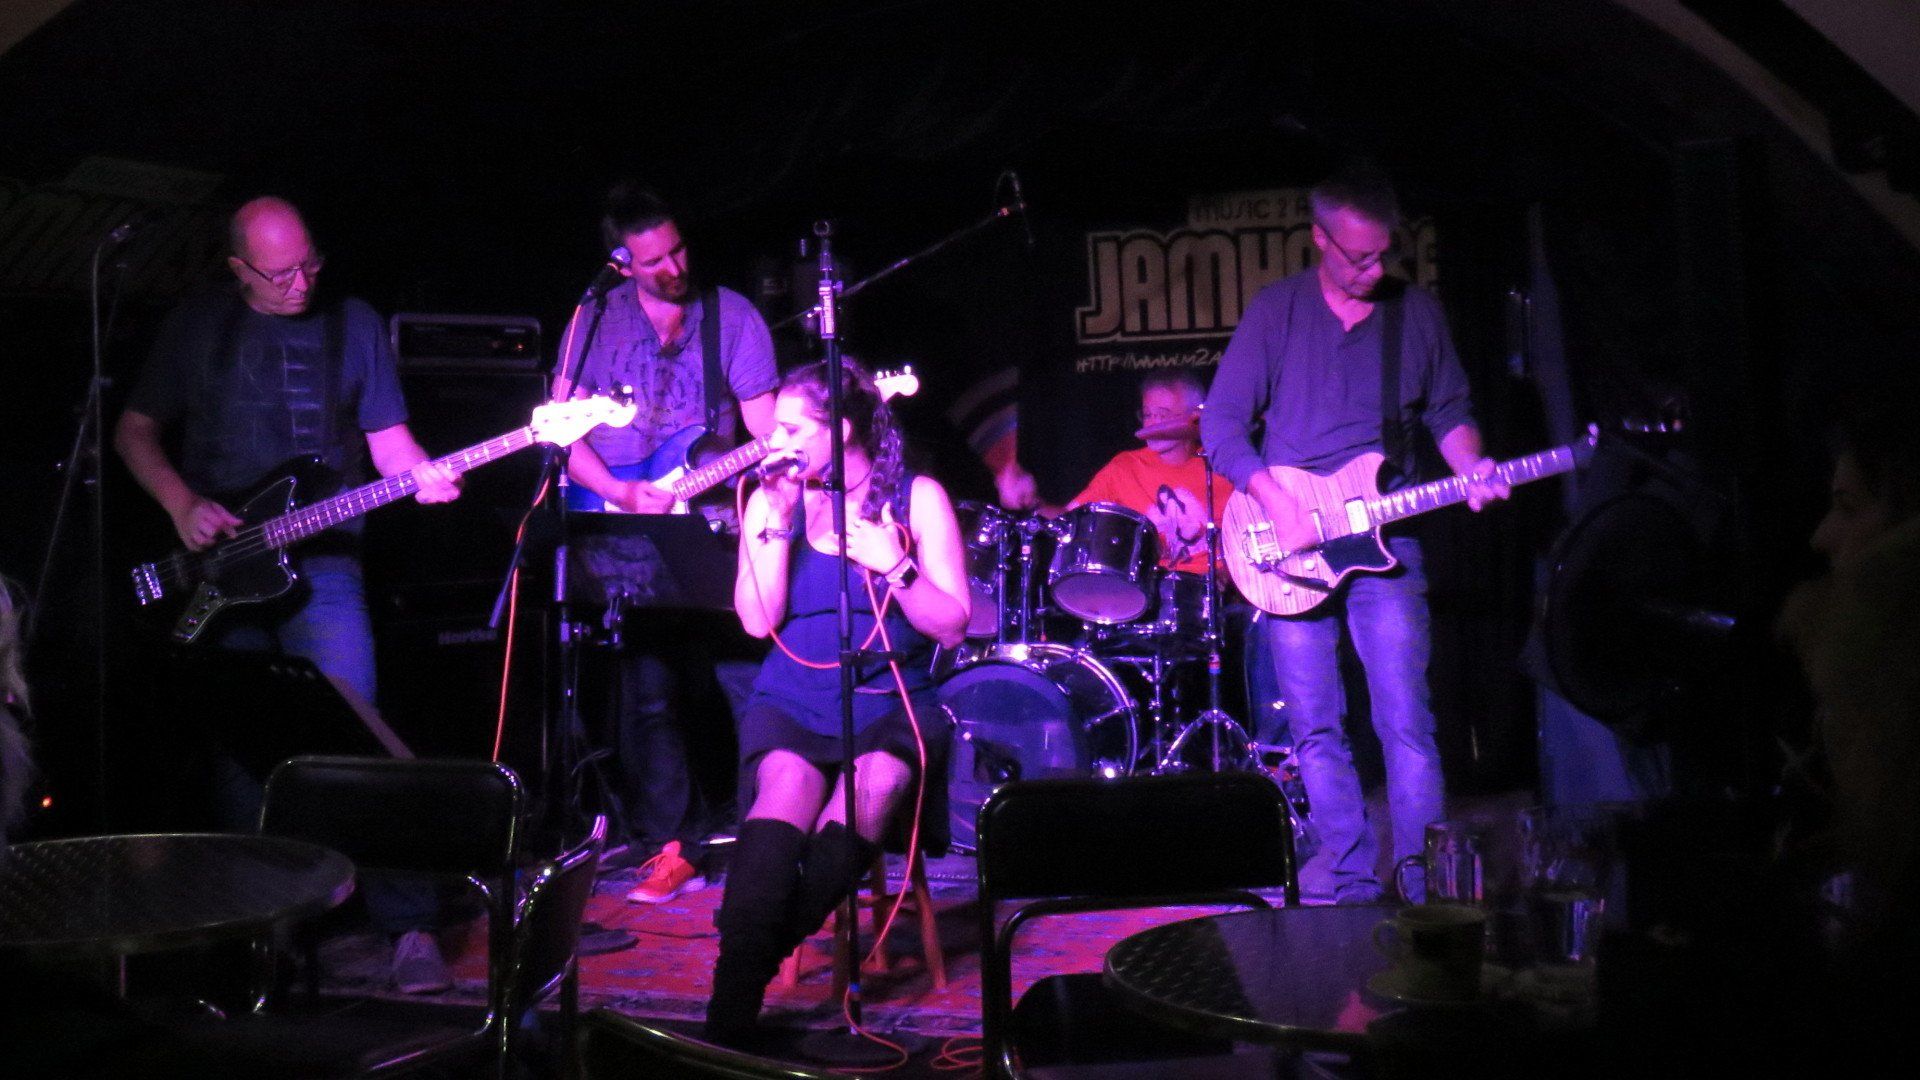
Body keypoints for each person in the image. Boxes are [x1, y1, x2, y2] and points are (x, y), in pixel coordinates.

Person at [113, 196, 463, 992]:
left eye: (310, 265)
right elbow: (133, 429)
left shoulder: (355, 323)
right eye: (279, 274)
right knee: (243, 757)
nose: (301, 283)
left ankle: (409, 927)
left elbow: (390, 442)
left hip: (325, 564)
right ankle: (259, 938)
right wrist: (181, 503)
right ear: (238, 268)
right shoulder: (199, 326)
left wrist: (425, 476)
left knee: (354, 736)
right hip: (219, 570)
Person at [1200, 165, 1508, 904]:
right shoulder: (1278, 311)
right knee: (1315, 727)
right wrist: (1275, 499)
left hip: (1385, 540)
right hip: (1289, 543)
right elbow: (1221, 426)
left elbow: (1449, 410)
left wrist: (1472, 465)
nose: (1374, 269)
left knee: (1406, 721)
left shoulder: (1416, 313)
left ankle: (1424, 884)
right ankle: (1348, 881)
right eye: (1359, 257)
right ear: (1319, 239)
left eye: (1383, 254)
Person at [705, 360, 969, 1043]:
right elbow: (756, 622)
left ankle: (748, 958)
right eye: (775, 429)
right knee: (782, 797)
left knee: (871, 790)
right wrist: (774, 523)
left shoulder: (917, 498)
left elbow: (952, 624)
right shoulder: (773, 500)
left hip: (891, 696)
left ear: (842, 428)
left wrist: (896, 566)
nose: (776, 443)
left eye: (793, 429)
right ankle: (730, 1013)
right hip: (794, 695)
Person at [555, 184, 778, 903]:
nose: (675, 267)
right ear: (623, 264)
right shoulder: (593, 319)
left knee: (748, 682)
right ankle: (668, 844)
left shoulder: (732, 317)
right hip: (618, 518)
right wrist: (619, 492)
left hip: (711, 524)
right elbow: (560, 431)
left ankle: (767, 835)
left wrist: (775, 462)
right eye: (655, 261)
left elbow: (769, 433)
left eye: (679, 250)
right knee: (648, 691)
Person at [1067, 368, 1231, 575]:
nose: (1152, 424)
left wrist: (1228, 574)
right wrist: (1037, 504)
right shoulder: (1124, 468)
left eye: (1162, 415)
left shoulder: (1221, 467)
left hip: (1210, 586)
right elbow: (1069, 518)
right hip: (1148, 585)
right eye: (1147, 415)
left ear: (1195, 418)